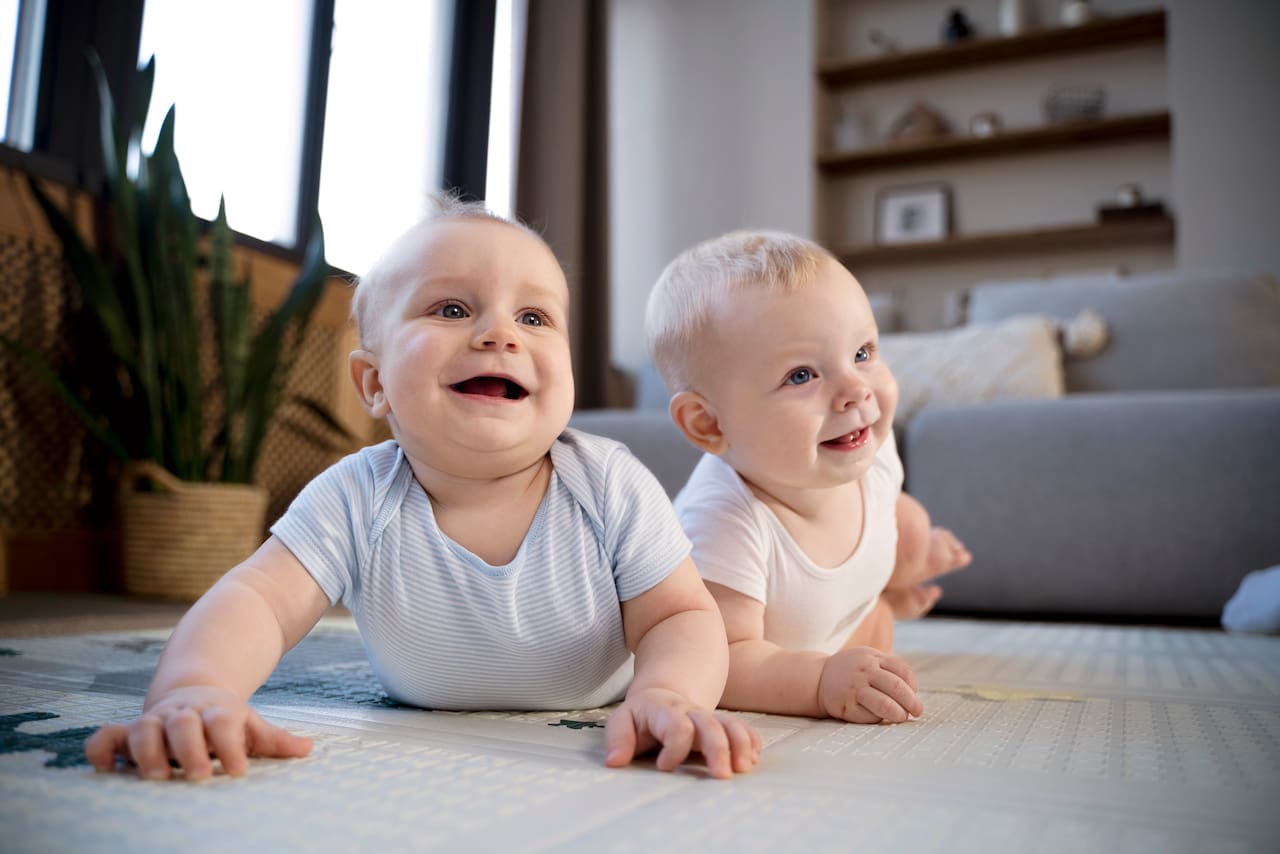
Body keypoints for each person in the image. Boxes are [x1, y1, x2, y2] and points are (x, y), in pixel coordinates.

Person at [85, 197, 761, 781]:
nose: (499, 334)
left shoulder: (608, 482)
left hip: (595, 705)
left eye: (534, 318)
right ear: (374, 383)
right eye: (452, 308)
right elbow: (257, 601)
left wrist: (670, 695)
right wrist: (196, 689)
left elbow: (678, 616)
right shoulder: (356, 495)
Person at [645, 229, 970, 725]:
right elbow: (718, 662)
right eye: (802, 375)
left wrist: (907, 551)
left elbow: (886, 505)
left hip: (840, 613)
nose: (856, 390)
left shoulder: (866, 445)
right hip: (790, 646)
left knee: (911, 525)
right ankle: (885, 598)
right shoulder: (721, 525)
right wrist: (818, 681)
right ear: (709, 424)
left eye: (862, 353)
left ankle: (895, 578)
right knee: (872, 647)